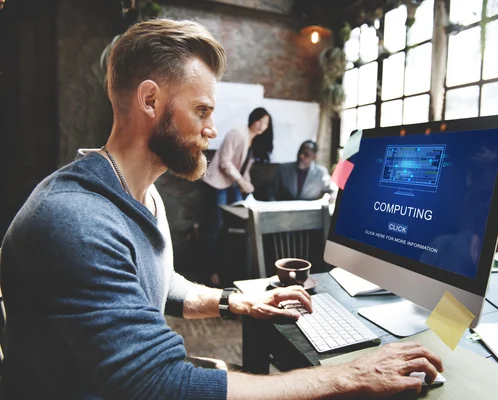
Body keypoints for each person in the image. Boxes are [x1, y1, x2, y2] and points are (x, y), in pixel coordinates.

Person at [0, 18, 443, 399]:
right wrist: (350, 376)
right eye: (202, 110)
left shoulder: (141, 194)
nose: (212, 129)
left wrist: (239, 303)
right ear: (150, 101)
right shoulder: (75, 220)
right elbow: (163, 385)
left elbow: (159, 283)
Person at [202, 107, 272, 283]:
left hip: (232, 184)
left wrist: (247, 184)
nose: (262, 126)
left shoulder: (252, 140)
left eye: (266, 123)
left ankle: (229, 269)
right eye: (260, 121)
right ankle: (210, 271)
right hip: (218, 183)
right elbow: (225, 161)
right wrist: (241, 181)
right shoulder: (237, 133)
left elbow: (244, 167)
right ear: (253, 119)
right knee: (216, 227)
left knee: (236, 226)